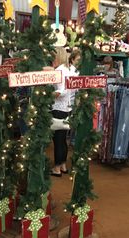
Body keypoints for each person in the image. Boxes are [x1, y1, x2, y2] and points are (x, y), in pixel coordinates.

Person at [51, 48, 81, 177]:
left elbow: (61, 92)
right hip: (68, 108)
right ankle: (62, 164)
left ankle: (57, 167)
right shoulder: (72, 71)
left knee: (58, 139)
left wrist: (47, 94)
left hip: (59, 108)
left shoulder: (60, 71)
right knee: (63, 139)